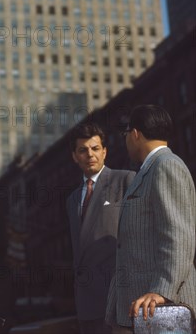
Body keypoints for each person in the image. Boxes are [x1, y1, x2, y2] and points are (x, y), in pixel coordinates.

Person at [106, 104, 196, 333]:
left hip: (162, 310)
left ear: (135, 134)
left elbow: (178, 236)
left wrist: (162, 291)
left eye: (126, 135)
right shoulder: (148, 170)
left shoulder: (166, 166)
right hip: (140, 310)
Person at [66, 123, 135, 334]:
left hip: (120, 300)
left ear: (104, 151)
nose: (90, 154)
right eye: (83, 150)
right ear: (74, 156)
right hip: (86, 305)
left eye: (95, 148)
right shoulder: (71, 199)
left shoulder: (126, 180)